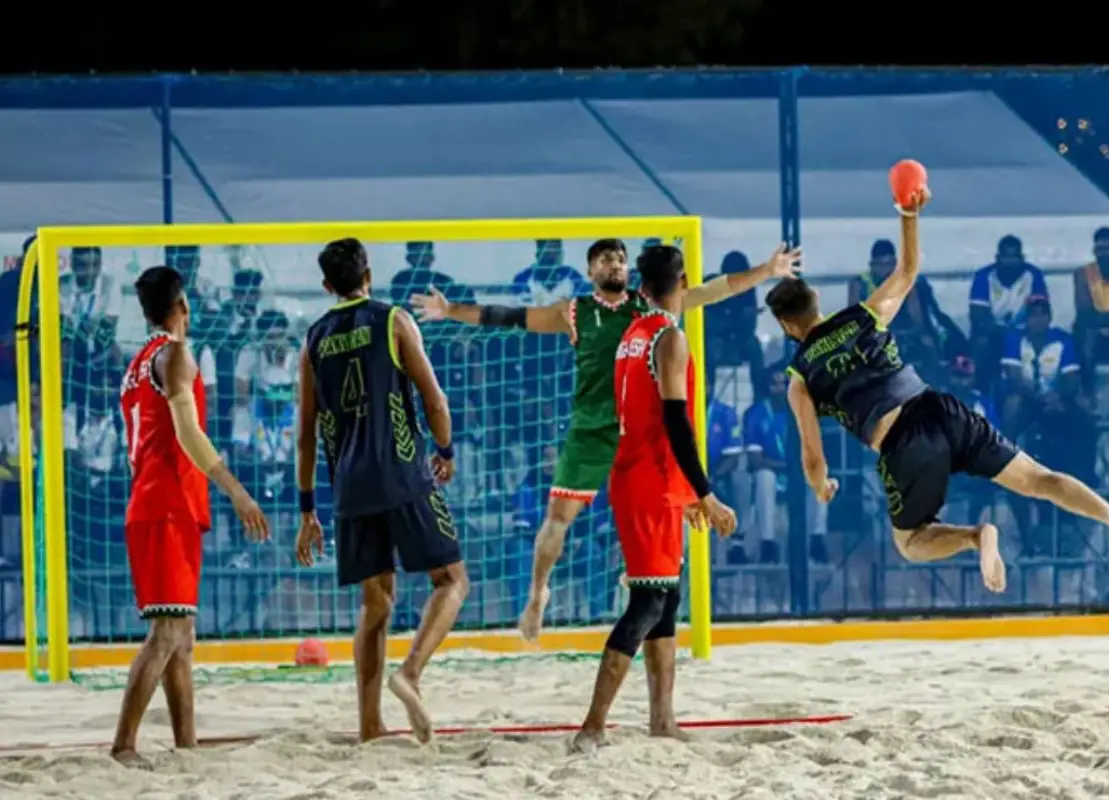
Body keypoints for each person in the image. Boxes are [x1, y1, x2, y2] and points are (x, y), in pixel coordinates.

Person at [765, 188, 1109, 593]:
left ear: (785, 326)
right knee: (1040, 479)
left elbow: (812, 456)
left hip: (900, 441)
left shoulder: (799, 377)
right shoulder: (863, 316)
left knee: (910, 542)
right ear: (816, 301)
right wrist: (908, 214)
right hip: (940, 407)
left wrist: (820, 486)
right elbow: (908, 270)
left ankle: (976, 536)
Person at [412, 238, 799, 640]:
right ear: (590, 271)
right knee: (557, 519)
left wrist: (766, 271)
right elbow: (511, 316)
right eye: (604, 258)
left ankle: (638, 581)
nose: (614, 263)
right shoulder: (576, 311)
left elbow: (715, 290)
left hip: (639, 432)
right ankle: (537, 594)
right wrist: (451, 310)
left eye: (619, 258)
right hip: (590, 431)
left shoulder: (649, 304)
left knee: (659, 516)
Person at [293, 238, 467, 744]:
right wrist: (446, 450)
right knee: (451, 581)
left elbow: (305, 431)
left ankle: (370, 725)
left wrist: (307, 508)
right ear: (369, 273)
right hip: (401, 471)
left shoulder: (314, 338)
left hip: (348, 486)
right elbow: (434, 399)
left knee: (375, 604)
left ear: (328, 286)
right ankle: (409, 673)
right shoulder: (393, 321)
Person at [573, 245, 737, 752]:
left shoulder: (632, 334)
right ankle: (592, 726)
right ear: (682, 282)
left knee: (667, 598)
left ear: (641, 285)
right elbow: (674, 422)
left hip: (642, 478)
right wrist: (706, 493)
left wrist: (686, 492)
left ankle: (662, 719)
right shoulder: (669, 337)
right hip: (650, 481)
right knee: (648, 601)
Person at [112, 266, 270, 769]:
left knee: (181, 636)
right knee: (165, 635)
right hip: (167, 505)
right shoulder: (175, 355)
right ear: (183, 307)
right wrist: (236, 491)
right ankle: (123, 746)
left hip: (158, 502)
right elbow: (188, 434)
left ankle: (186, 745)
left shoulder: (137, 362)